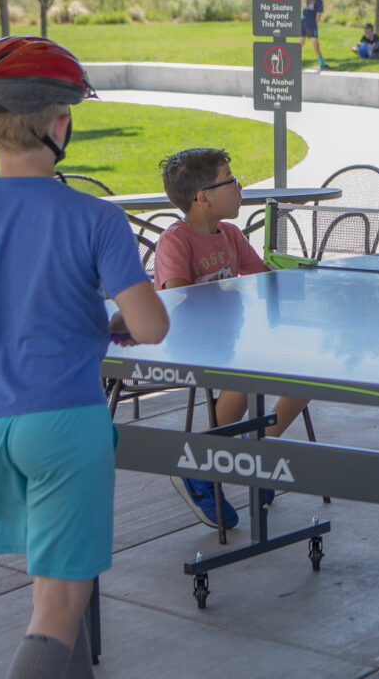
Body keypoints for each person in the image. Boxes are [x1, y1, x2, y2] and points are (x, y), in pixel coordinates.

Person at [0, 36, 169, 679]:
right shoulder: (97, 220)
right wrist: (114, 320)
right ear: (60, 125)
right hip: (65, 423)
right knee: (57, 606)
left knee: (49, 590)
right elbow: (151, 326)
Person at [154, 147, 311, 528]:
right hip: (189, 344)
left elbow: (261, 282)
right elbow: (180, 299)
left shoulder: (231, 235)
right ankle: (200, 468)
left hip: (234, 341)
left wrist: (290, 279)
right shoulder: (177, 241)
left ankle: (254, 453)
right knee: (247, 377)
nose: (240, 187)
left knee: (307, 370)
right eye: (231, 179)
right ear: (203, 197)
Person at [300, 0, 329, 70]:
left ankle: (295, 61)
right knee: (315, 44)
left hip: (302, 21)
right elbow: (318, 14)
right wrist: (316, 22)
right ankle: (322, 63)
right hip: (311, 23)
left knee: (301, 42)